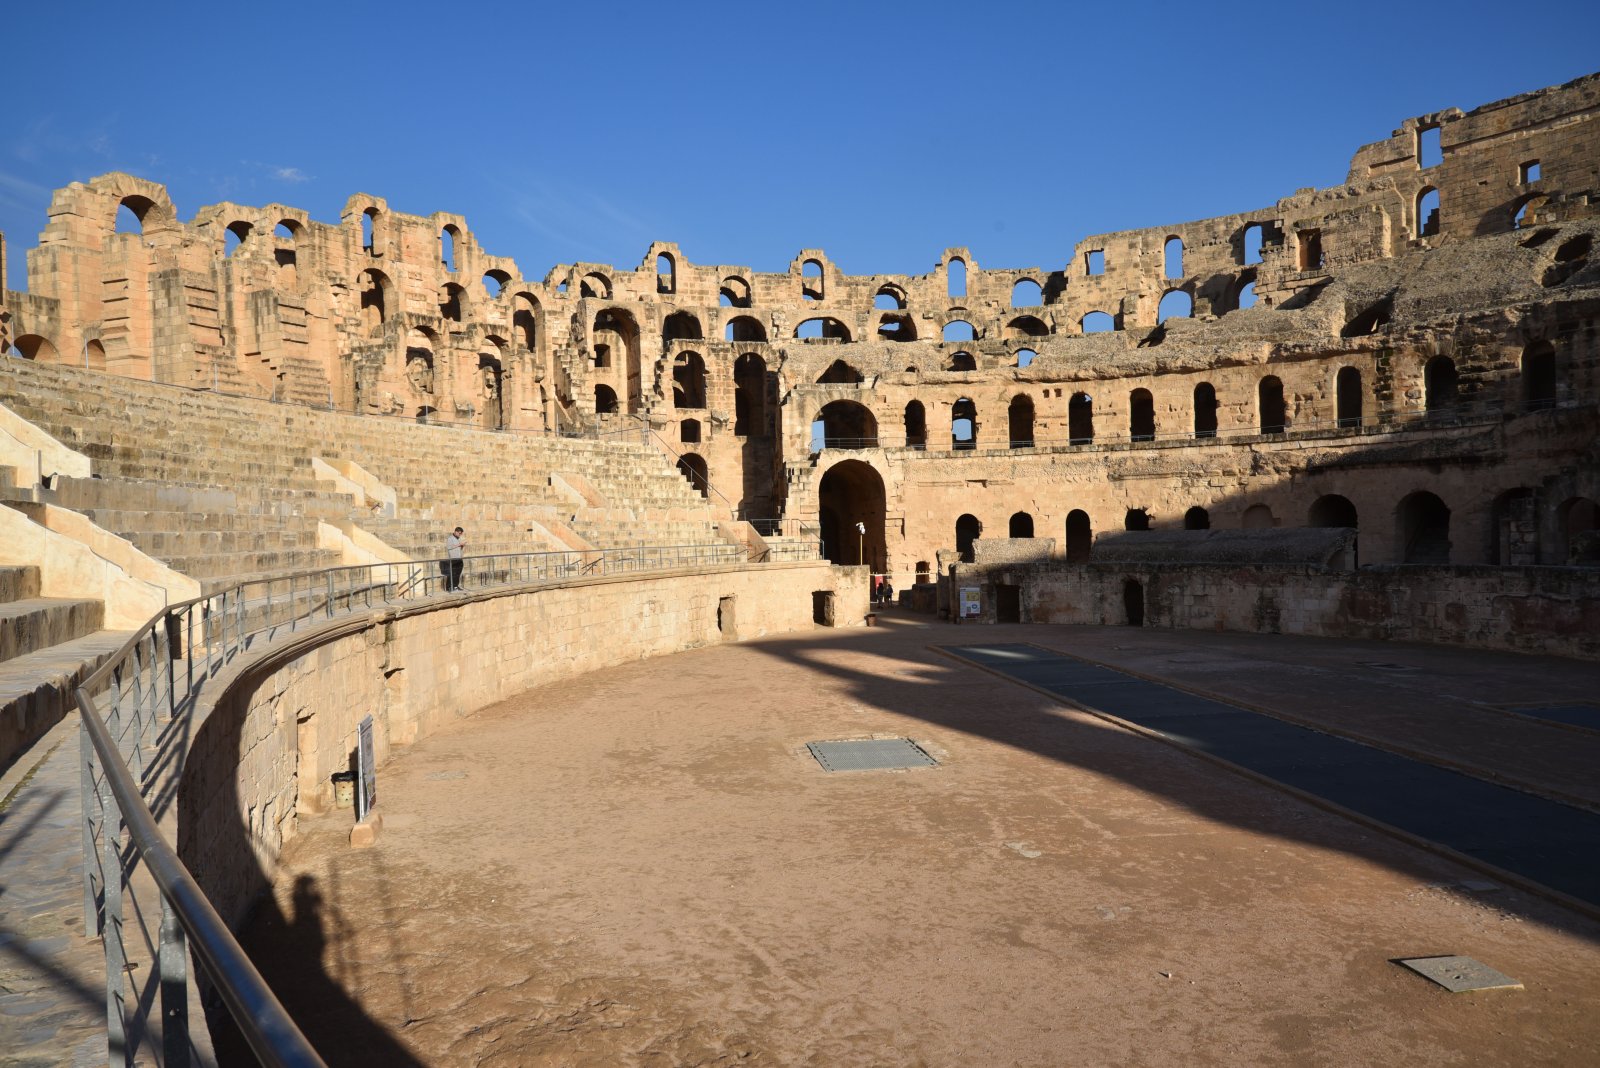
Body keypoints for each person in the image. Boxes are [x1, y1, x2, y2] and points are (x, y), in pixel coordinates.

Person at [445, 526, 466, 591]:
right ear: (455, 532)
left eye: (461, 534)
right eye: (459, 533)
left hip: (459, 558)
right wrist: (459, 544)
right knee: (452, 573)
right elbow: (449, 547)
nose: (460, 535)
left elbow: (459, 548)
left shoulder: (459, 539)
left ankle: (455, 586)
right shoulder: (450, 538)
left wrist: (462, 546)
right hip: (453, 559)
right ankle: (449, 587)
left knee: (458, 573)